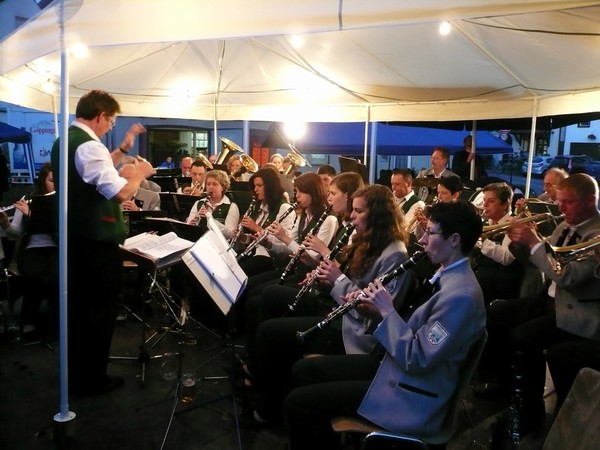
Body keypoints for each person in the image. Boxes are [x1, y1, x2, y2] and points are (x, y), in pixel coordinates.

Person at [284, 201, 485, 450]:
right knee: (304, 371)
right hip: (394, 366)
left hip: (411, 394)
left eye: (431, 233)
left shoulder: (461, 296)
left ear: (454, 240)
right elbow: (412, 328)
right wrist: (375, 309)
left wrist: (387, 310)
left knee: (299, 403)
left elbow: (418, 358)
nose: (422, 240)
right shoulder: (446, 273)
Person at [244, 184, 412, 426]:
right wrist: (324, 280)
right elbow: (351, 284)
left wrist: (337, 279)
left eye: (359, 211)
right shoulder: (369, 240)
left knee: (271, 332)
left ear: (378, 215)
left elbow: (372, 309)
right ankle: (266, 383)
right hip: (340, 314)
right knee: (270, 304)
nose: (351, 216)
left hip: (354, 333)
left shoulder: (395, 254)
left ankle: (268, 408)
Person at [50, 89, 154, 396]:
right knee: (98, 313)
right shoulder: (89, 146)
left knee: (82, 312)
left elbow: (95, 171)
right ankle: (93, 379)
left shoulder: (66, 140)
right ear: (100, 116)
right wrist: (139, 174)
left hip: (77, 238)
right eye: (111, 121)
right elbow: (120, 193)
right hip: (95, 244)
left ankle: (80, 374)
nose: (110, 127)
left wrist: (121, 151)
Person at [494, 173, 600, 434]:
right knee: (496, 314)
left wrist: (534, 243)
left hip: (578, 311)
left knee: (524, 337)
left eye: (568, 202)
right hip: (550, 298)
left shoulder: (596, 234)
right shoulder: (563, 227)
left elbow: (568, 277)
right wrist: (520, 243)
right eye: (560, 201)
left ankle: (532, 413)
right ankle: (505, 387)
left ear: (590, 201)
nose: (561, 208)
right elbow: (538, 262)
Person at [0, 162, 57, 340]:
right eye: (51, 180)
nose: (55, 185)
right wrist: (5, 223)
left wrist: (31, 215)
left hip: (57, 247)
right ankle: (30, 319)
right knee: (34, 274)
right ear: (43, 180)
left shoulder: (63, 201)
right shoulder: (30, 199)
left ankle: (57, 318)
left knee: (57, 273)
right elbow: (16, 232)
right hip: (32, 248)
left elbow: (63, 229)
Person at [471, 182, 526, 305]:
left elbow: (507, 258)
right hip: (482, 278)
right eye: (484, 200)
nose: (484, 205)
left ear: (506, 204)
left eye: (491, 201)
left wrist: (482, 240)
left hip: (500, 284)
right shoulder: (486, 223)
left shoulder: (513, 224)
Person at [235, 167, 295, 277]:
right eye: (254, 186)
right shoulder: (259, 206)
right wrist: (243, 237)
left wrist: (256, 228)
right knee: (231, 266)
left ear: (270, 186)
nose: (255, 189)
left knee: (239, 273)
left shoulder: (284, 208)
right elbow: (256, 239)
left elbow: (283, 241)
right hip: (254, 252)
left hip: (270, 258)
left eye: (259, 185)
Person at [185, 169, 240, 240]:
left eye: (215, 184)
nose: (211, 187)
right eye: (208, 184)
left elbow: (230, 235)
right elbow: (188, 228)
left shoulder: (231, 206)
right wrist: (191, 225)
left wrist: (209, 218)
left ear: (223, 187)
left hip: (220, 244)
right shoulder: (199, 203)